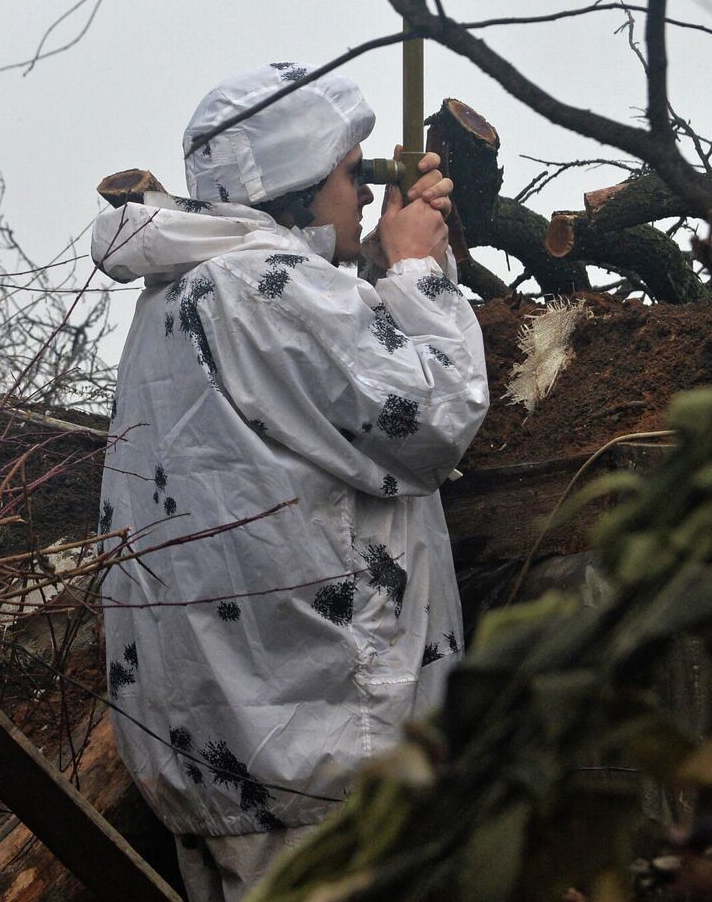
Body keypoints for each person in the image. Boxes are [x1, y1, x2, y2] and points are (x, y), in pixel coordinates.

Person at [90, 63, 490, 901]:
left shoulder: (185, 292)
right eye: (352, 172)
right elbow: (432, 418)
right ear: (300, 183)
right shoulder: (270, 290)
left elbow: (317, 392)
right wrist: (417, 273)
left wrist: (372, 274)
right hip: (329, 759)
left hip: (227, 760)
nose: (359, 192)